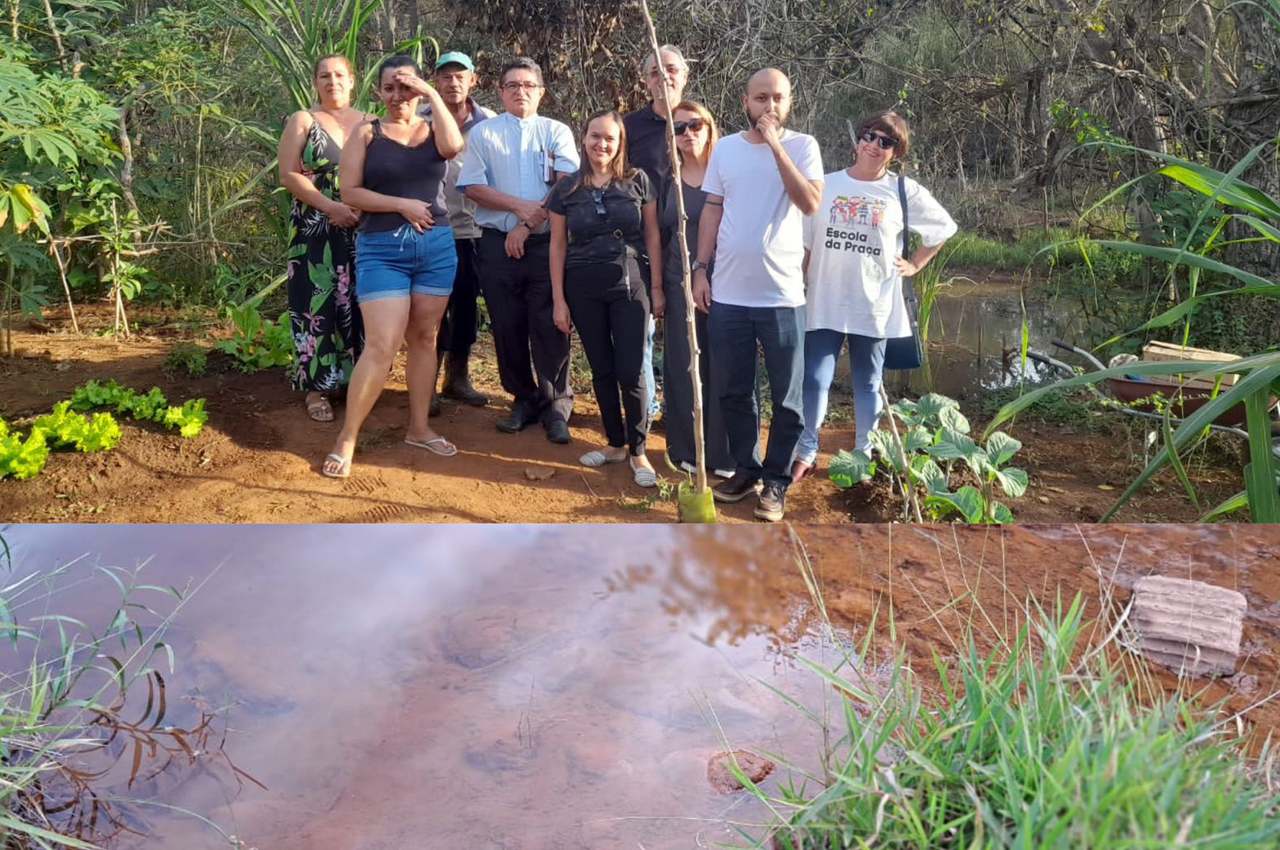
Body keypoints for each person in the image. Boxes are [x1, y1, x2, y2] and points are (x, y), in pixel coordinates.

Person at [792, 111, 957, 482]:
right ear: (858, 139)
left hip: (874, 304)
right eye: (870, 136)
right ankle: (807, 448)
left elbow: (943, 228)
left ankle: (863, 452)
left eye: (886, 142)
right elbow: (805, 244)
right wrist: (795, 290)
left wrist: (915, 264)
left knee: (868, 381)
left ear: (895, 152)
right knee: (816, 378)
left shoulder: (903, 191)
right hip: (824, 299)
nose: (874, 145)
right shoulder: (825, 185)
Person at [321, 56, 464, 478]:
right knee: (382, 344)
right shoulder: (366, 132)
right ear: (378, 92)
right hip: (381, 247)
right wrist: (401, 204)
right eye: (390, 88)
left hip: (435, 247)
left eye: (407, 87)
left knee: (424, 338)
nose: (398, 96)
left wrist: (433, 93)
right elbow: (351, 192)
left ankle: (418, 428)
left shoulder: (434, 127)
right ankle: (347, 437)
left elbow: (454, 147)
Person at [692, 68, 823, 522]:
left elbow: (809, 203)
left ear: (789, 102)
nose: (770, 106)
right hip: (728, 294)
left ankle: (776, 482)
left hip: (783, 296)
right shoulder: (725, 148)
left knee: (787, 398)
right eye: (761, 98)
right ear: (745, 102)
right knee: (733, 391)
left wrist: (775, 146)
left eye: (778, 98)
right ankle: (746, 470)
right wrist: (700, 270)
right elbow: (712, 210)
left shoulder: (803, 146)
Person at [458, 57, 580, 444]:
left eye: (528, 85)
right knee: (507, 324)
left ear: (541, 91)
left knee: (550, 324)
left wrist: (528, 225)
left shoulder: (556, 131)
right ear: (499, 92)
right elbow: (472, 187)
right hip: (496, 243)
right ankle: (523, 398)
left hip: (547, 245)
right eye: (512, 85)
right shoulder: (483, 134)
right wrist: (517, 208)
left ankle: (556, 406)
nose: (520, 92)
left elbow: (567, 184)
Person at [549, 111, 663, 487]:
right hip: (582, 288)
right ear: (584, 139)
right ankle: (615, 443)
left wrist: (658, 287)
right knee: (602, 369)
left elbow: (652, 237)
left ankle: (639, 450)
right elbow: (557, 246)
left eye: (610, 138)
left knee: (632, 371)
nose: (602, 144)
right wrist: (559, 301)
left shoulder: (638, 181)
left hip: (630, 286)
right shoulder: (566, 189)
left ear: (620, 143)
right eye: (595, 136)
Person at [278, 55, 371, 423]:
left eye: (339, 75)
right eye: (324, 76)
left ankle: (355, 381)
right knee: (316, 302)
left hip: (363, 228)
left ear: (352, 80)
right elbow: (289, 174)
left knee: (361, 301)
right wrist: (330, 207)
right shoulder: (303, 120)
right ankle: (317, 388)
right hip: (315, 226)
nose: (332, 81)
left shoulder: (370, 122)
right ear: (315, 83)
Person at [657, 100, 733, 479]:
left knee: (723, 366)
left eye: (695, 125)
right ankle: (686, 449)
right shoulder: (666, 178)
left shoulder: (728, 174)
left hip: (727, 283)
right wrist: (658, 287)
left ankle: (725, 455)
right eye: (679, 128)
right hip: (677, 283)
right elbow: (657, 234)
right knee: (684, 365)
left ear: (709, 127)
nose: (688, 134)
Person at [419, 51, 496, 415]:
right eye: (445, 76)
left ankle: (457, 378)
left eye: (459, 76)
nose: (453, 83)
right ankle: (426, 383)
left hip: (475, 231)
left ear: (473, 80)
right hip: (429, 228)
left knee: (466, 308)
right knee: (431, 309)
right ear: (435, 81)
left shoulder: (491, 123)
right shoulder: (418, 118)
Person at [623, 46, 689, 430]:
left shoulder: (697, 121)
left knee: (685, 330)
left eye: (670, 69)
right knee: (642, 326)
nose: (662, 77)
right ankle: (648, 407)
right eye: (654, 71)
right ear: (644, 79)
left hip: (687, 241)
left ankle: (685, 406)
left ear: (685, 75)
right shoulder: (630, 126)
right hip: (641, 239)